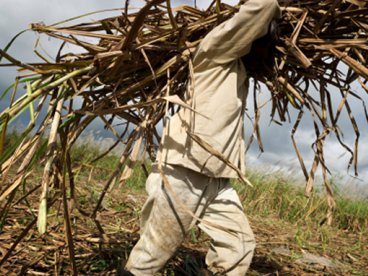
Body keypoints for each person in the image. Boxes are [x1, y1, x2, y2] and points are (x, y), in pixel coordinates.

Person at [124, 0, 281, 275]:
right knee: (152, 255)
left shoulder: (238, 73)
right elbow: (263, 6)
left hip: (218, 179)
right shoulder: (214, 51)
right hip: (184, 171)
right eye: (265, 40)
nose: (267, 50)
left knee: (238, 248)